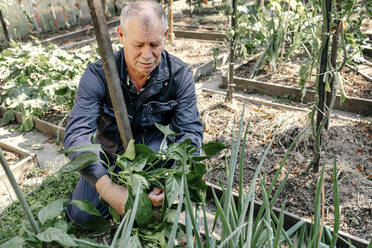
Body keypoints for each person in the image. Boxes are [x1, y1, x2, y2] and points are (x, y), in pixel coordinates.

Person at [63, 0, 203, 224]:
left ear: (165, 35)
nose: (147, 55)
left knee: (165, 212)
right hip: (113, 159)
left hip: (158, 159)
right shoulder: (98, 75)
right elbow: (75, 135)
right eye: (138, 45)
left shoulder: (179, 75)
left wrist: (173, 178)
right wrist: (108, 188)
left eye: (154, 44)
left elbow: (191, 132)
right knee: (81, 216)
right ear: (120, 35)